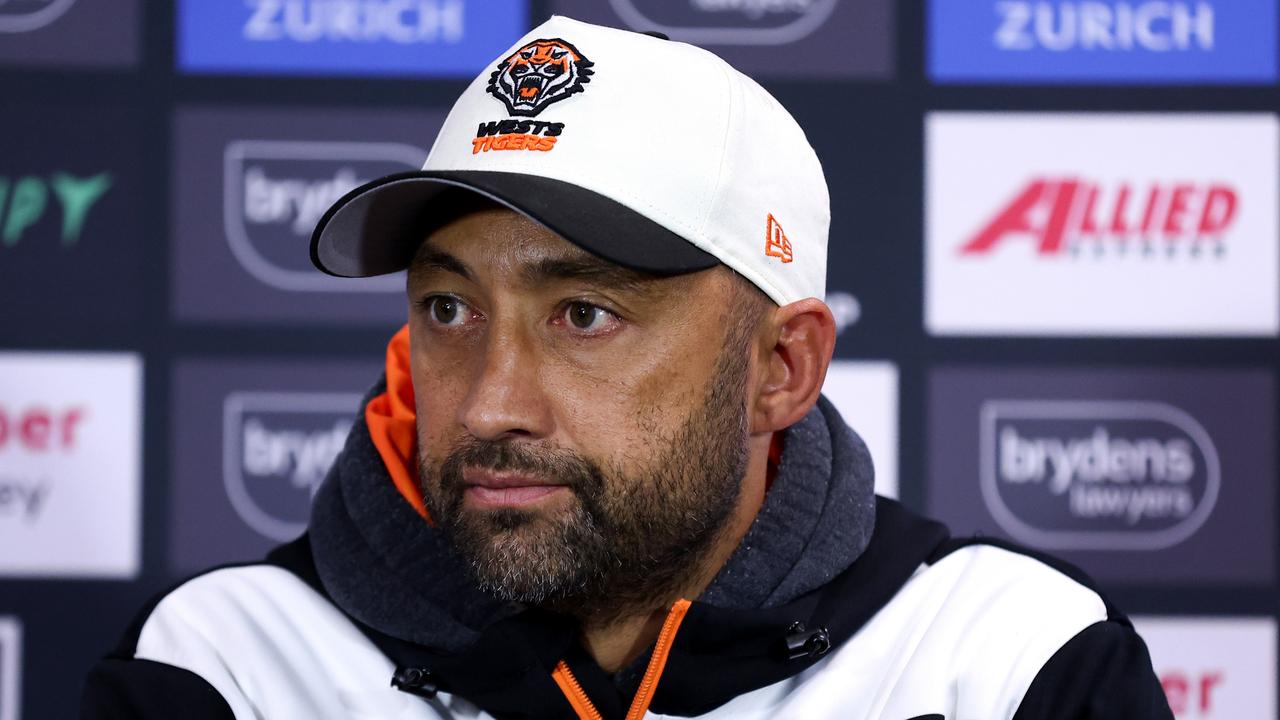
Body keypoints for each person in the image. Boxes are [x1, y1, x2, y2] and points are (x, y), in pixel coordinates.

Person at [82, 16, 1173, 720]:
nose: (488, 403)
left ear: (779, 368)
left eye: (585, 313)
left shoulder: (1008, 663)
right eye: (449, 307)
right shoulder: (223, 664)